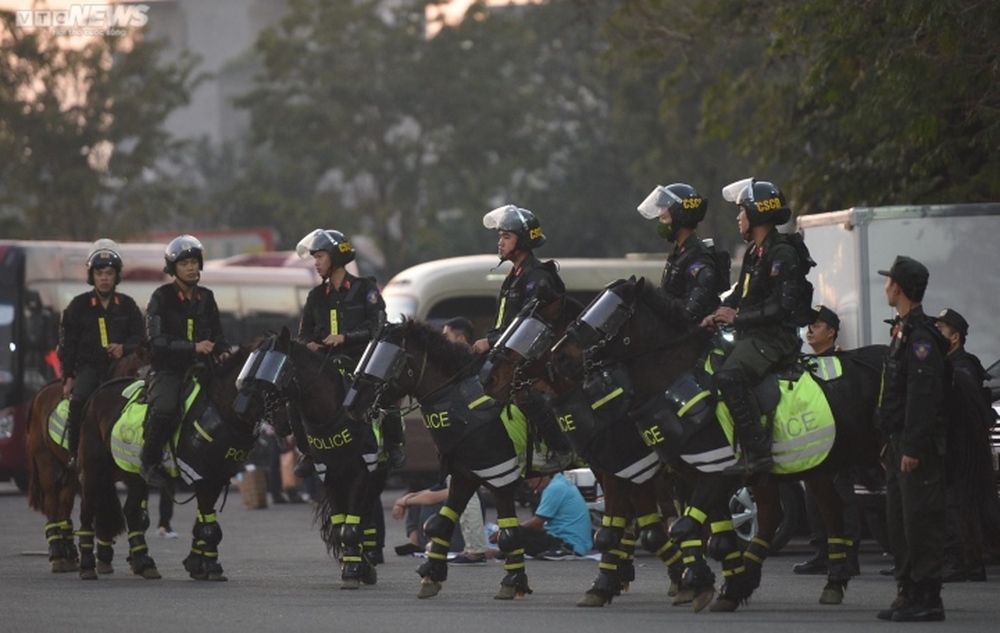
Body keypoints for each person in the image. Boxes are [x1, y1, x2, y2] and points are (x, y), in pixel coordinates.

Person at [701, 179, 814, 475]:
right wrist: (716, 314)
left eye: (741, 211)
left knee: (729, 377)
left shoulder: (783, 254)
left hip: (776, 338)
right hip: (753, 334)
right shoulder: (754, 252)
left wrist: (736, 318)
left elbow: (782, 308)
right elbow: (740, 296)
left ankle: (757, 454)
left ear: (756, 213)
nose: (738, 218)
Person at [471, 205, 573, 471]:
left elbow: (533, 327)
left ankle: (561, 449)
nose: (500, 242)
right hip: (508, 353)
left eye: (506, 237)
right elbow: (506, 323)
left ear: (523, 241)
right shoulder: (514, 275)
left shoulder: (536, 277)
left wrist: (492, 343)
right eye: (500, 237)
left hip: (539, 359)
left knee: (525, 395)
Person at [293, 228, 404, 472]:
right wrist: (307, 344)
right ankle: (308, 452)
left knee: (384, 389)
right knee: (295, 396)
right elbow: (302, 335)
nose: (316, 263)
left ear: (335, 256)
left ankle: (393, 444)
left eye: (319, 256)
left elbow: (377, 327)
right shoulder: (315, 297)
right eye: (315, 258)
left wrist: (344, 337)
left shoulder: (367, 289)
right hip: (324, 363)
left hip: (360, 359)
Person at [874, 255, 948, 622]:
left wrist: (914, 448)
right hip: (899, 441)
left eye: (889, 281)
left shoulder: (920, 338)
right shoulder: (902, 330)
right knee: (899, 521)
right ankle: (907, 590)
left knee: (920, 520)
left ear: (898, 288)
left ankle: (928, 596)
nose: (886, 286)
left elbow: (922, 397)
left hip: (915, 445)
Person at [140, 235, 231, 486]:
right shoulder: (160, 297)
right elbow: (155, 341)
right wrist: (193, 347)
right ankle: (149, 461)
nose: (191, 267)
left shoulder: (207, 297)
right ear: (173, 269)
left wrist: (222, 350)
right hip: (169, 370)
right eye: (184, 263)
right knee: (165, 408)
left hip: (204, 369)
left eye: (194, 262)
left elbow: (218, 334)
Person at [58, 239, 144, 470]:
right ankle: (75, 455)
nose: (104, 278)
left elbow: (141, 339)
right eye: (99, 273)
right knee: (78, 403)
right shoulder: (78, 306)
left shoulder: (128, 305)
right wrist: (68, 377)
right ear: (92, 275)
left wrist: (124, 348)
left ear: (117, 276)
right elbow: (67, 345)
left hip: (121, 370)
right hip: (89, 368)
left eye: (109, 273)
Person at [792, 306, 861, 576]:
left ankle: (848, 556)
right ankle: (823, 552)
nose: (810, 330)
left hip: (839, 442)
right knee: (814, 497)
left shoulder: (842, 363)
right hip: (813, 443)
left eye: (817, 325)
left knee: (841, 495)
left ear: (831, 332)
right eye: (809, 325)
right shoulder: (805, 364)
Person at [934, 308, 995, 583]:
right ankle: (966, 563)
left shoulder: (962, 366)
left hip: (963, 447)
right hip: (957, 445)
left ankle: (962, 563)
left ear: (955, 337)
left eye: (941, 330)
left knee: (959, 502)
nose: (936, 335)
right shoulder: (949, 365)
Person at [636, 182, 724, 323]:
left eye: (664, 218)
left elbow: (688, 313)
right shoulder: (679, 253)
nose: (660, 223)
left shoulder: (699, 260)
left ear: (680, 218)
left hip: (696, 338)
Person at [490, 472, 592, 559]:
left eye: (530, 482)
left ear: (539, 477)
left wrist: (506, 533)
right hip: (579, 542)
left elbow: (537, 522)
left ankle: (498, 553)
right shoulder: (561, 482)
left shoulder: (554, 489)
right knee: (521, 532)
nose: (531, 486)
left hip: (568, 542)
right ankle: (501, 552)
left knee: (516, 534)